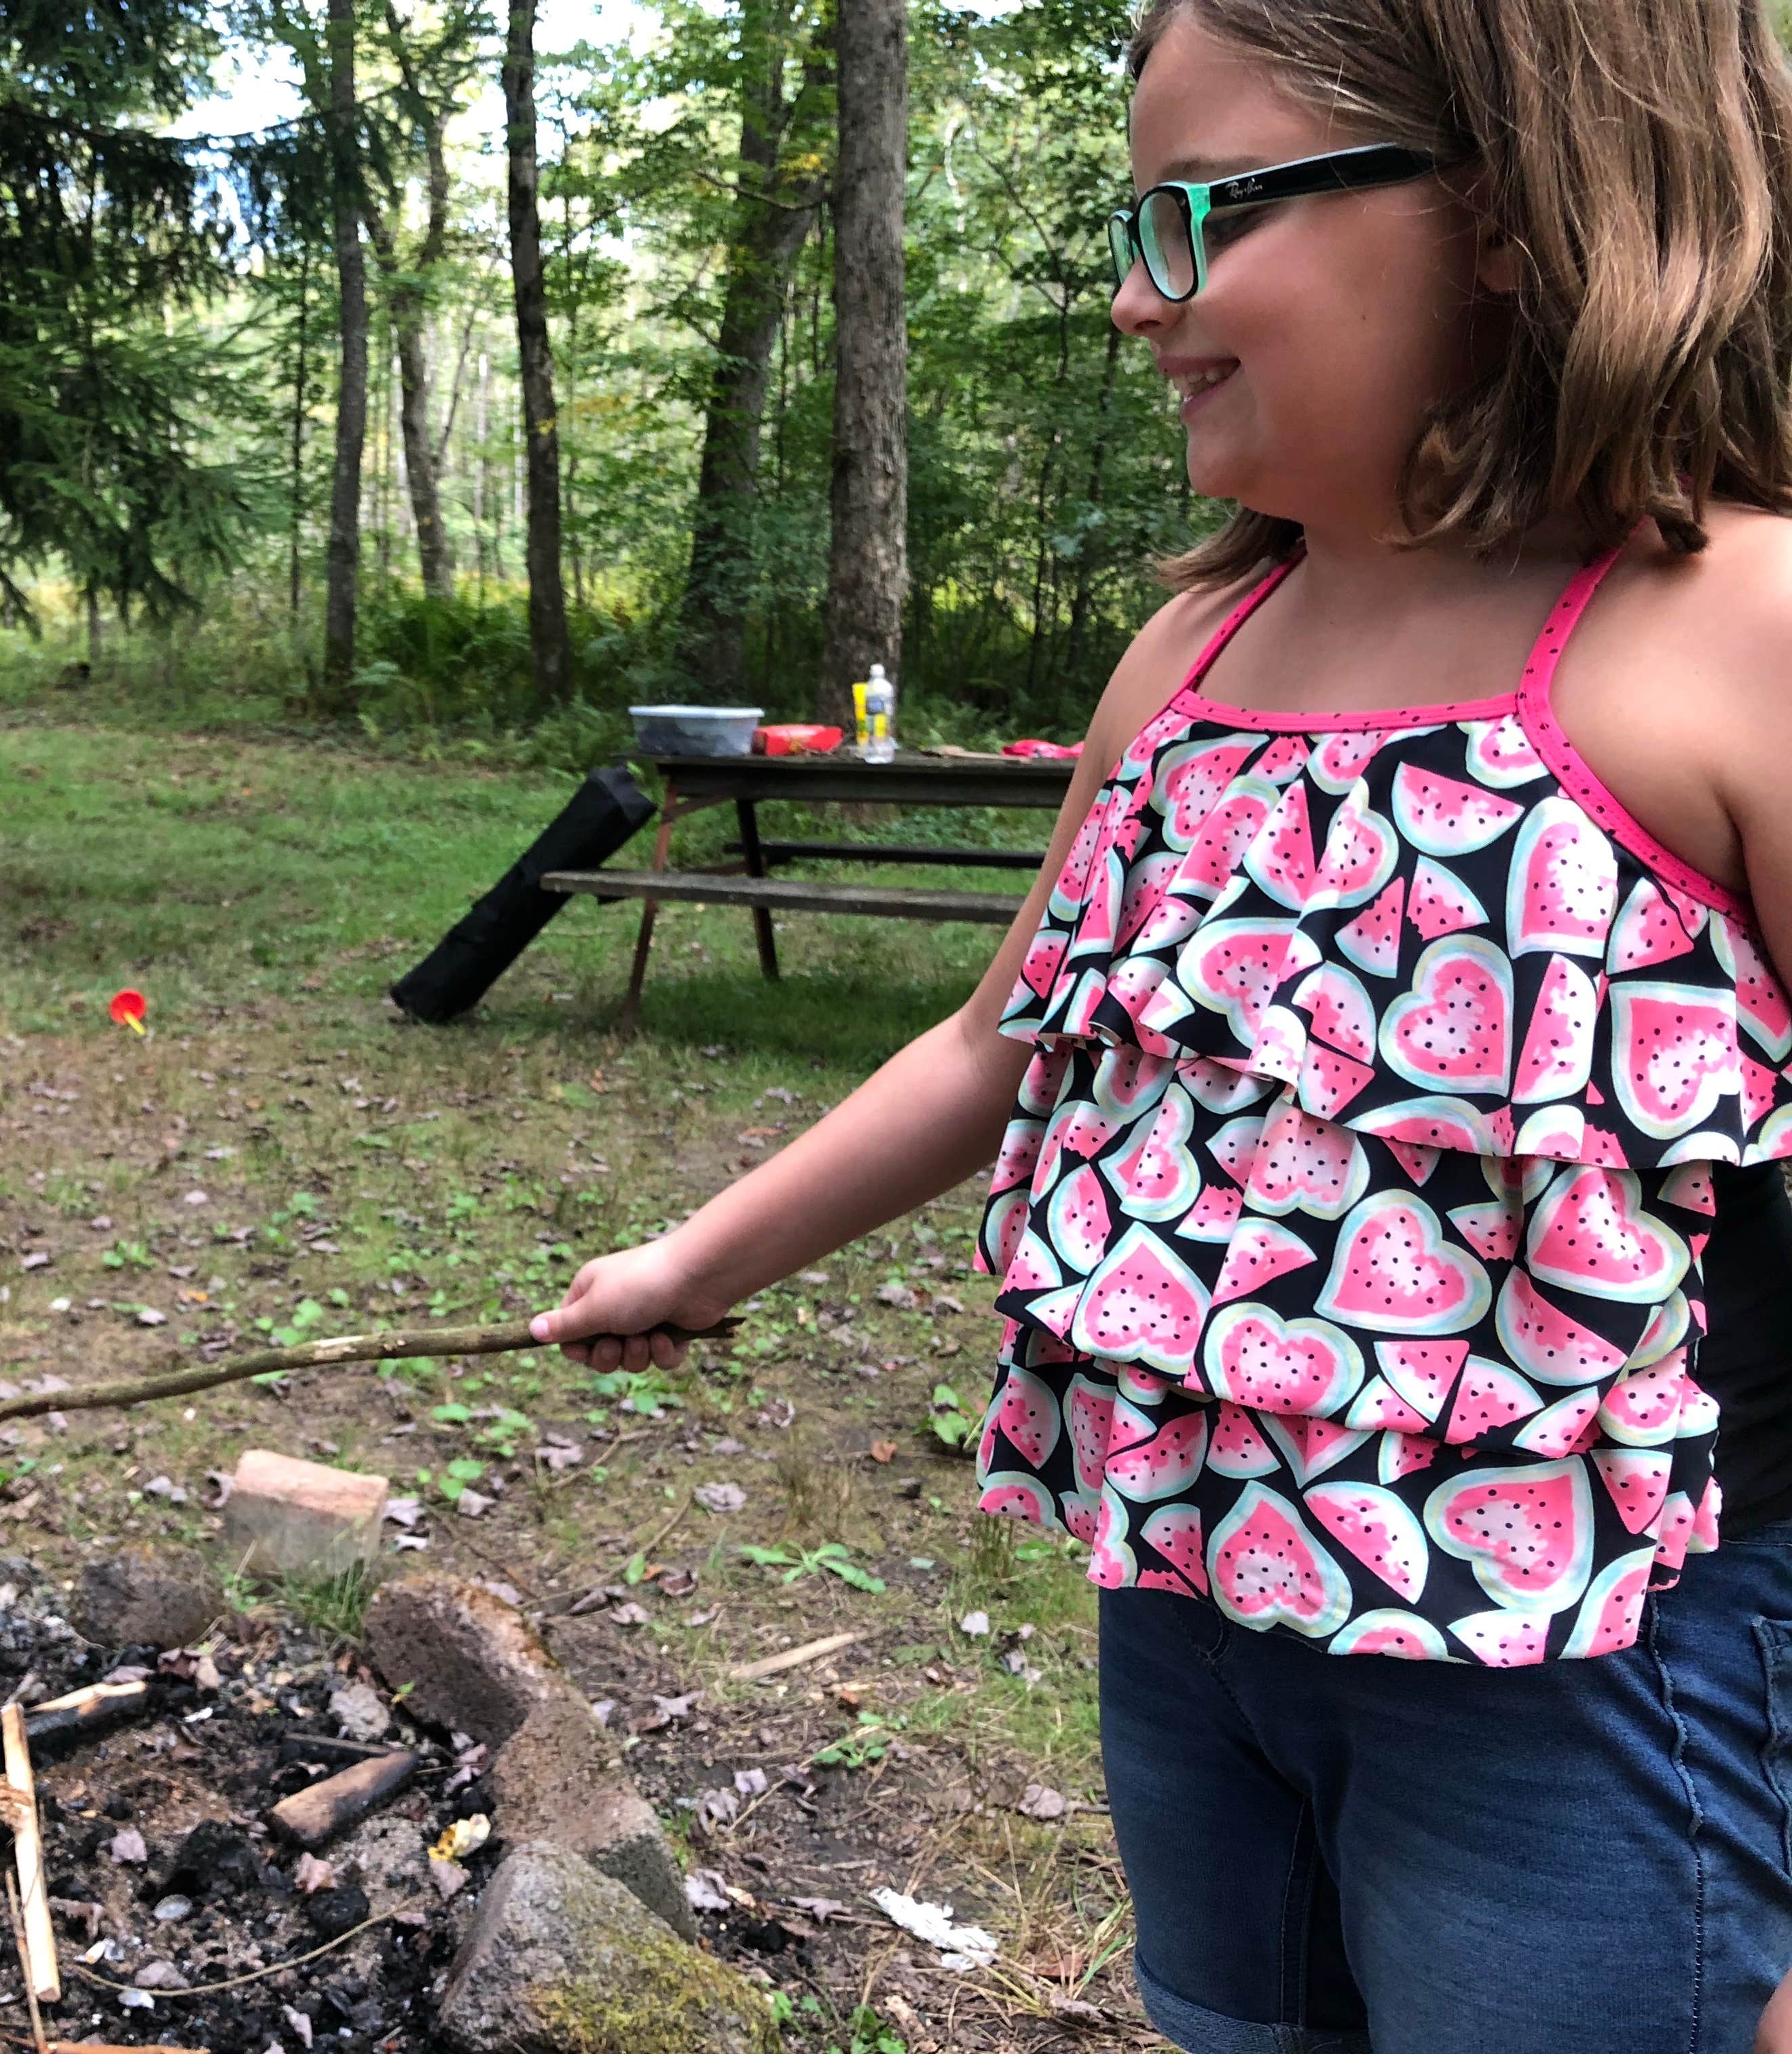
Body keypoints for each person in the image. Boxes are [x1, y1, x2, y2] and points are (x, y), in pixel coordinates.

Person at [532, 2, 1792, 2046]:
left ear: (1505, 203)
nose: (1138, 301)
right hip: (1196, 1628)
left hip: (1597, 1678)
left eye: (1199, 216)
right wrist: (699, 1259)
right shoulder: (1192, 657)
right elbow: (992, 1043)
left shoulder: (1731, 639)